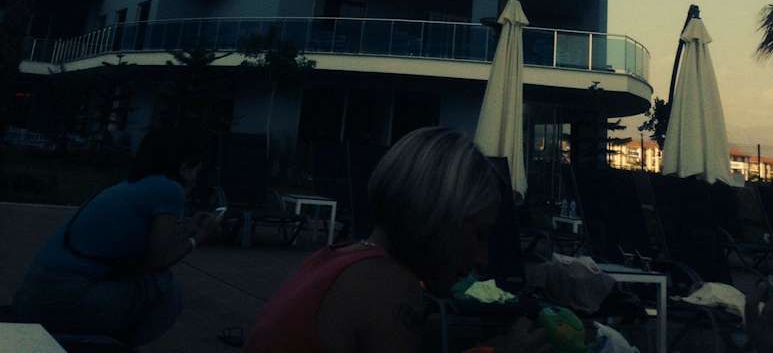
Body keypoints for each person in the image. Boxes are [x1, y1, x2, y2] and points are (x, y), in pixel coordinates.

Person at [246, 126, 551, 353]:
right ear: (436, 216)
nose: (482, 258)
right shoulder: (387, 286)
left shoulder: (337, 259)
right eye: (478, 234)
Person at [12, 127, 221, 346]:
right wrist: (199, 237)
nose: (196, 179)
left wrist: (188, 228)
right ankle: (110, 346)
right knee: (165, 288)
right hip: (61, 301)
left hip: (35, 298)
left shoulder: (133, 186)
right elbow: (158, 260)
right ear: (184, 168)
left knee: (142, 281)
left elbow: (144, 249)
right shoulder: (170, 189)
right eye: (196, 170)